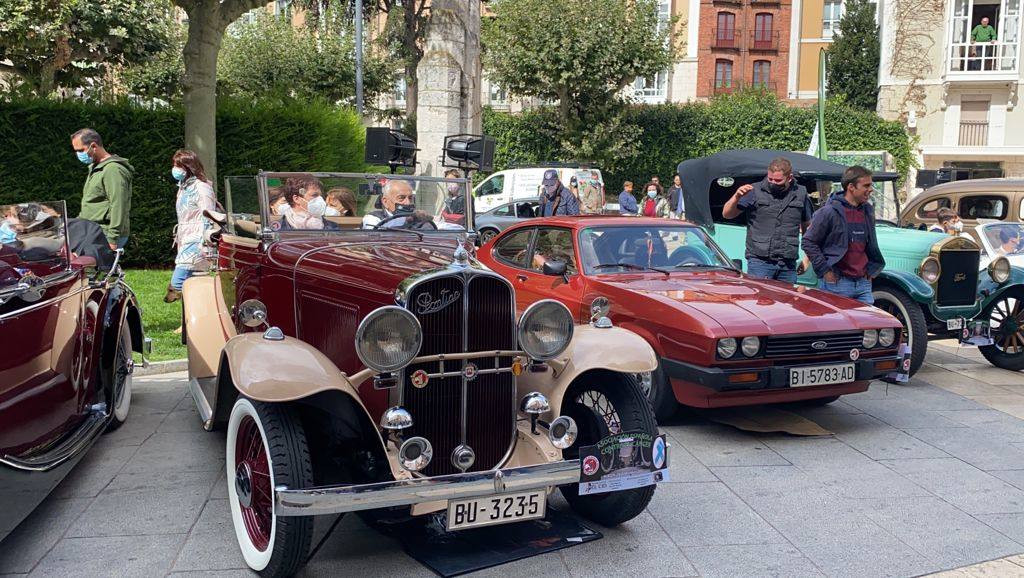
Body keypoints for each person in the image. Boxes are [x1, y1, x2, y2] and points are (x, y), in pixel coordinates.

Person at [803, 166, 885, 305]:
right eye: (866, 185)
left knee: (866, 325)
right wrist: (825, 271)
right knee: (838, 326)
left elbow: (869, 244)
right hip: (837, 283)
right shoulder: (828, 212)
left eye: (871, 185)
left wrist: (871, 271)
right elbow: (808, 242)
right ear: (851, 187)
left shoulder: (868, 210)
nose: (870, 189)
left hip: (863, 283)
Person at [722, 157, 813, 283]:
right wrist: (736, 197)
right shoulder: (754, 190)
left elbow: (807, 227)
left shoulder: (801, 193)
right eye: (770, 179)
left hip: (787, 263)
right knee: (761, 300)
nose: (773, 183)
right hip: (759, 261)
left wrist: (807, 258)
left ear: (790, 177)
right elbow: (727, 214)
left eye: (778, 180)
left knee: (786, 302)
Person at [165, 149, 217, 304]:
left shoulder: (201, 187)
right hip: (186, 238)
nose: (175, 169)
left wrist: (206, 244)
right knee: (193, 284)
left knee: (179, 281)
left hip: (197, 241)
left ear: (188, 167)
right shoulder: (183, 188)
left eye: (178, 165)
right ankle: (188, 321)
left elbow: (209, 215)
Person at [71, 128, 134, 250]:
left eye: (81, 150)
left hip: (104, 233)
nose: (79, 155)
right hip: (91, 230)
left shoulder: (113, 170)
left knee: (86, 267)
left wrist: (113, 238)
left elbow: (118, 205)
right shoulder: (96, 168)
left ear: (93, 146)